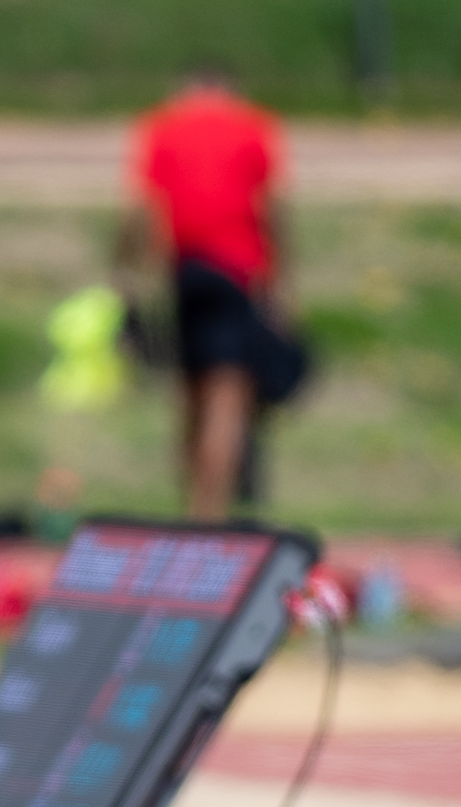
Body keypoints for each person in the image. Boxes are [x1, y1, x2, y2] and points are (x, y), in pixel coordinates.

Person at [123, 67, 302, 519]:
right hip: (236, 270)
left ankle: (190, 507)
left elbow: (142, 208)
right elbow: (272, 210)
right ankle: (212, 514)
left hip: (184, 271)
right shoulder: (253, 125)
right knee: (228, 398)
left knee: (190, 395)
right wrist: (282, 286)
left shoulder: (162, 125)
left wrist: (127, 277)